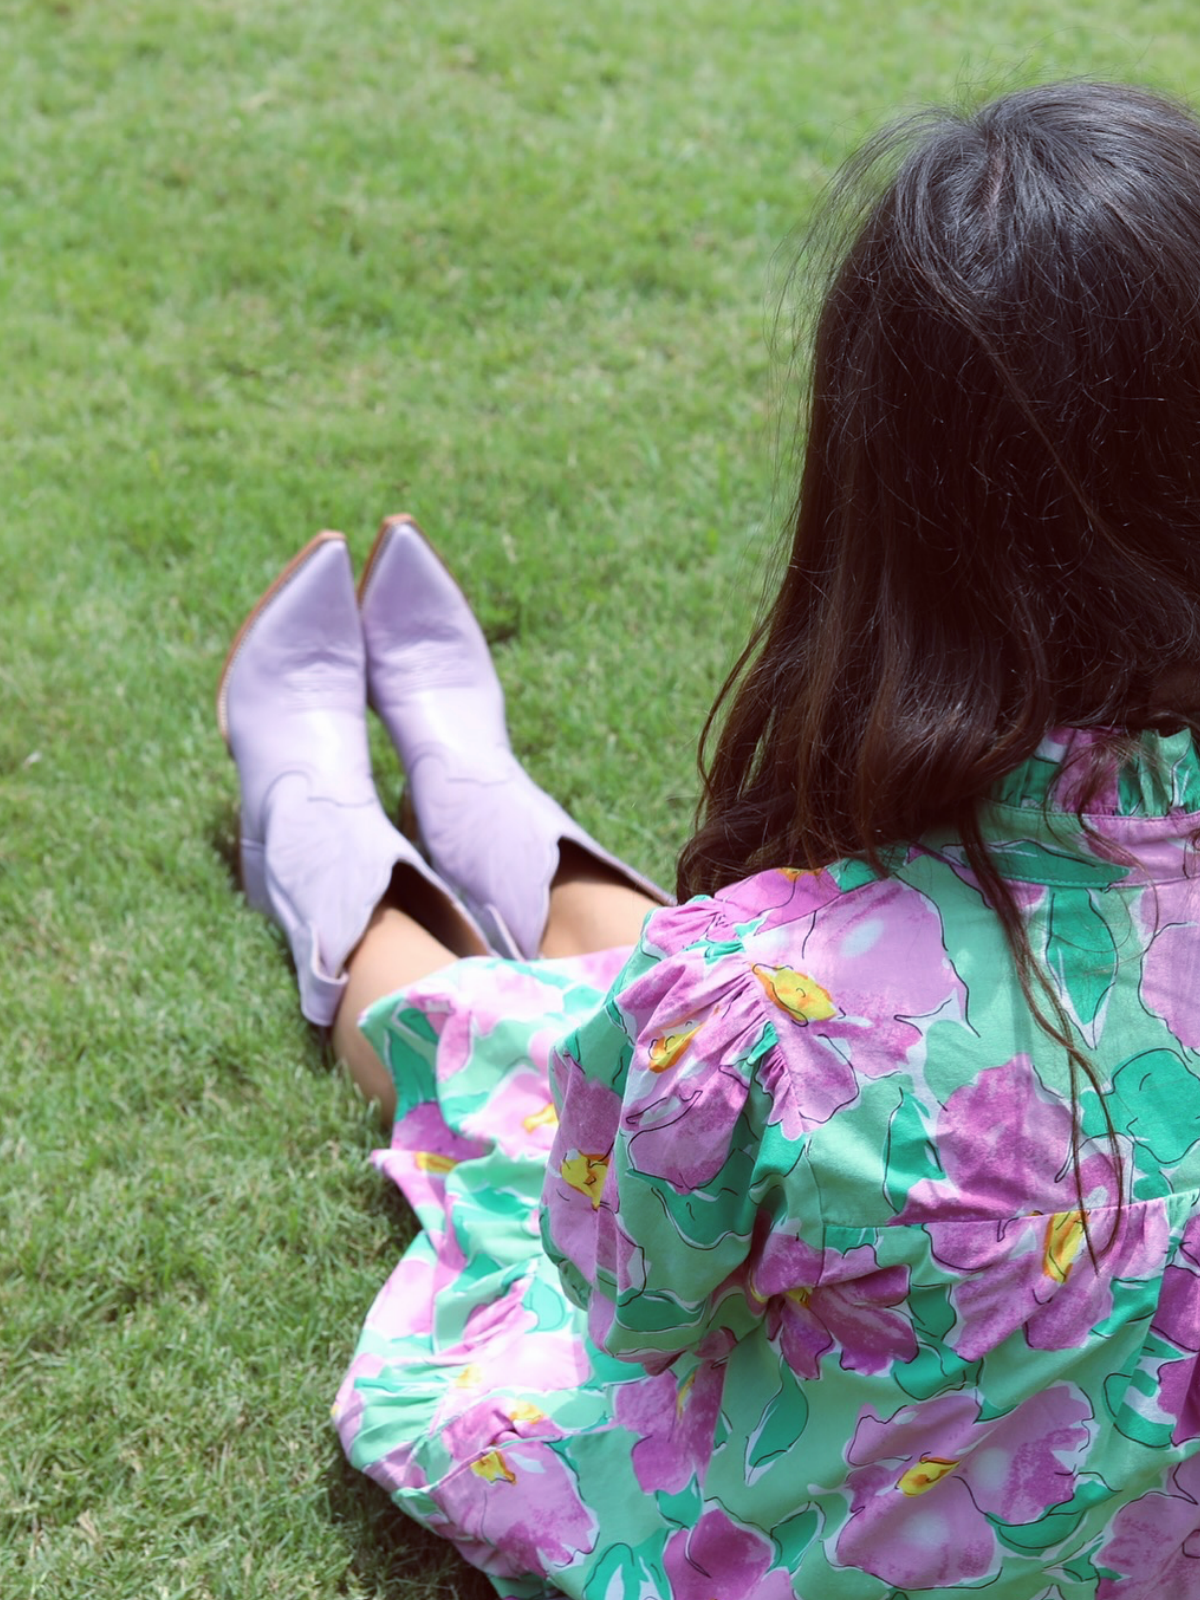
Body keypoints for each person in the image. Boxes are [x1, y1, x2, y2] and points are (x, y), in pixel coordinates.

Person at [217, 80, 1200, 1600]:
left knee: (528, 1069)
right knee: (724, 1031)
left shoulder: (765, 1002)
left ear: (888, 497)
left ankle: (334, 845)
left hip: (801, 1539)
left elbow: (626, 1303)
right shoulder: (762, 998)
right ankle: (490, 816)